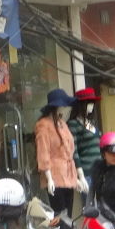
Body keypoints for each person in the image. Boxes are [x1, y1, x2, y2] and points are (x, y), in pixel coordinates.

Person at [35, 89, 88, 218]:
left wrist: (75, 178)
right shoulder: (43, 125)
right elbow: (43, 152)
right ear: (56, 106)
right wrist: (49, 178)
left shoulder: (62, 124)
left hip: (68, 176)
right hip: (55, 176)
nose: (64, 108)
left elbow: (69, 152)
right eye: (62, 105)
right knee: (60, 216)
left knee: (68, 215)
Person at [69, 89, 102, 176]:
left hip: (99, 171)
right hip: (86, 172)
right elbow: (73, 151)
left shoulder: (91, 123)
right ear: (81, 105)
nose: (92, 105)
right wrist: (81, 175)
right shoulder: (73, 124)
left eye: (93, 102)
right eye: (90, 102)